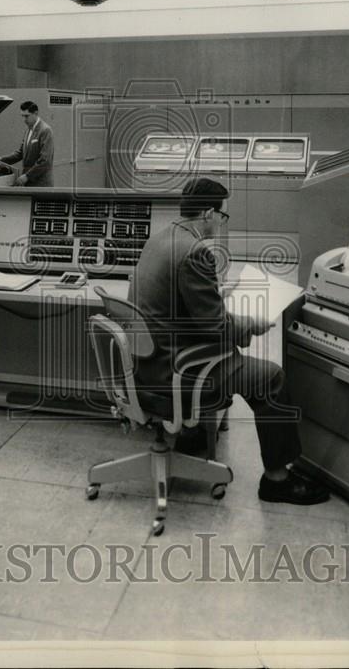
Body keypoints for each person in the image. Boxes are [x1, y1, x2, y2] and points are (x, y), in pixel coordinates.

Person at [129, 177, 329, 505]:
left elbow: (183, 307)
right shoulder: (195, 252)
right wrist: (253, 324)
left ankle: (191, 437)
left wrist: (219, 297)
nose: (221, 224)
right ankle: (277, 480)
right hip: (176, 370)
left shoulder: (161, 238)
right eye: (222, 217)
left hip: (150, 361)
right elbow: (217, 328)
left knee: (235, 356)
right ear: (208, 214)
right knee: (271, 378)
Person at [0, 100, 54, 186]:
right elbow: (20, 153)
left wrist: (27, 176)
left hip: (41, 183)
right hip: (29, 182)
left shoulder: (45, 130)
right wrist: (0, 159)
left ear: (35, 113)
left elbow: (45, 161)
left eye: (27, 116)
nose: (24, 120)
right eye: (22, 116)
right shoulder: (28, 130)